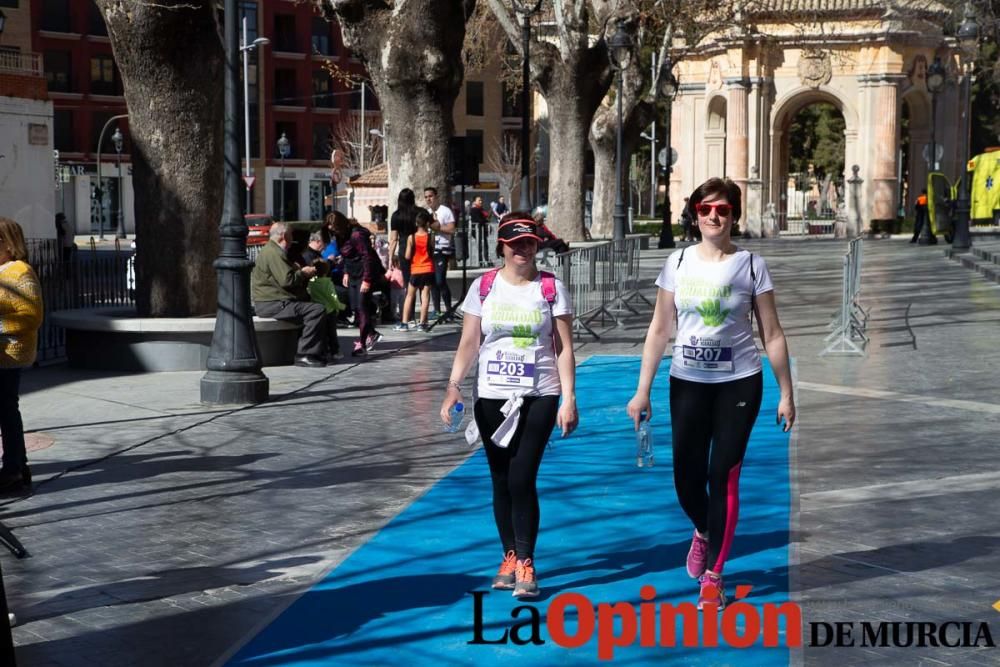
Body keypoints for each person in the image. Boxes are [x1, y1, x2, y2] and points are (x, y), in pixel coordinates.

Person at [626, 178, 795, 611]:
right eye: (705, 209)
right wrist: (641, 391)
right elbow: (660, 329)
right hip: (688, 383)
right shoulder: (678, 263)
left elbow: (772, 334)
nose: (714, 216)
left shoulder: (753, 266)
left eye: (722, 209)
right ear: (695, 214)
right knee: (686, 479)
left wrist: (786, 393)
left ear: (734, 214)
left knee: (723, 475)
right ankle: (704, 530)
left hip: (739, 383)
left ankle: (714, 577)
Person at [439, 214, 578, 599]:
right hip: (491, 395)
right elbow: (469, 342)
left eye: (530, 242)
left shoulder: (550, 288)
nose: (523, 249)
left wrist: (569, 398)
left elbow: (564, 347)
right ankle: (509, 555)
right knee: (501, 479)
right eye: (515, 243)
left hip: (539, 394)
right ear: (501, 245)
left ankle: (528, 562)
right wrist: (454, 388)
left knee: (521, 477)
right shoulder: (483, 287)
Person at [251, 222, 339, 367]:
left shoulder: (273, 251)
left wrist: (297, 271)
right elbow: (287, 280)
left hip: (276, 301)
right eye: (291, 235)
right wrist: (303, 273)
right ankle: (305, 353)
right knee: (316, 310)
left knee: (315, 305)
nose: (293, 239)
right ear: (284, 236)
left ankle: (319, 350)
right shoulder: (274, 252)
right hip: (273, 304)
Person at [0, 218, 45, 492]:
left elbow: (31, 316)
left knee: (6, 409)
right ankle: (18, 466)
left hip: (10, 354)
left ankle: (14, 468)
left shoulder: (20, 272)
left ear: (8, 243)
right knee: (5, 410)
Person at [330, 212, 385, 356]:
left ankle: (362, 344)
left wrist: (367, 279)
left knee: (362, 307)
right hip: (353, 273)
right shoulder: (340, 236)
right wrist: (346, 272)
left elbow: (367, 257)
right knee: (355, 307)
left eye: (334, 229)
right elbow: (346, 255)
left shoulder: (357, 235)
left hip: (364, 273)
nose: (332, 232)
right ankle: (371, 334)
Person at [396, 210, 435, 331]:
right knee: (425, 296)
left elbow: (407, 256)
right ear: (427, 223)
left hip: (415, 269)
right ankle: (423, 323)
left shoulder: (411, 237)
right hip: (428, 268)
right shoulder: (431, 237)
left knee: (410, 296)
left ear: (416, 223)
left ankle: (404, 323)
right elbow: (432, 252)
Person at [424, 187, 455, 319]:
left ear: (436, 196)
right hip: (429, 250)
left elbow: (452, 229)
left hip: (442, 249)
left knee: (440, 280)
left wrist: (438, 227)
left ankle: (449, 310)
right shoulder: (426, 213)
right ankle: (436, 310)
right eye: (426, 197)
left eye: (430, 196)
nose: (428, 199)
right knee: (432, 282)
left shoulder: (445, 211)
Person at [388, 188, 418, 293]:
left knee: (408, 282)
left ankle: (410, 308)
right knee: (423, 286)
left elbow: (394, 239)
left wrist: (391, 256)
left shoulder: (396, 216)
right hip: (420, 248)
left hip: (404, 250)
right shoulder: (419, 212)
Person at [470, 196, 490, 266]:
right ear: (474, 202)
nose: (481, 202)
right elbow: (478, 220)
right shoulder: (474, 210)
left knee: (485, 245)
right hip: (478, 231)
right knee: (480, 246)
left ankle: (486, 260)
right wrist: (485, 221)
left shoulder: (481, 209)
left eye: (481, 200)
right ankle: (480, 261)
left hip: (482, 230)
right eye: (479, 200)